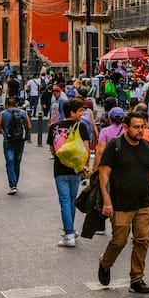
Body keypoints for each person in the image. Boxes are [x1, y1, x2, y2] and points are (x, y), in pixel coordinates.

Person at [94, 110, 149, 294]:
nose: (140, 131)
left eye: (143, 127)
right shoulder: (115, 146)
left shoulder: (147, 147)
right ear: (126, 127)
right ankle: (105, 263)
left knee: (142, 240)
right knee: (119, 241)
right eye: (136, 127)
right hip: (120, 204)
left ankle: (137, 279)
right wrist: (107, 201)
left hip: (143, 203)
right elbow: (104, 174)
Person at [51, 98, 94, 247]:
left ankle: (68, 234)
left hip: (60, 169)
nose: (82, 113)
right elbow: (87, 150)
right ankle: (70, 231)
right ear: (72, 112)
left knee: (64, 201)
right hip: (76, 169)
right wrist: (84, 165)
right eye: (80, 111)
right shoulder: (80, 127)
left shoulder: (54, 127)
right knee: (71, 200)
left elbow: (53, 150)